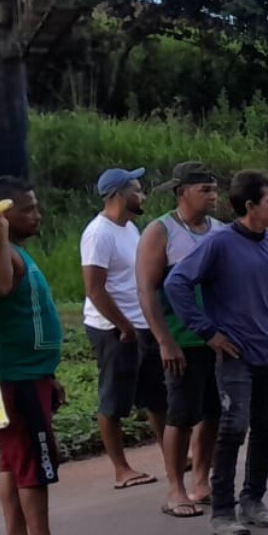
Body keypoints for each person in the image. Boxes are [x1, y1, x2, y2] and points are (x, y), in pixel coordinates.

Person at [165, 170, 268, 535]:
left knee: (265, 424)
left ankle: (253, 500)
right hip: (237, 352)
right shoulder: (220, 243)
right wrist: (208, 332)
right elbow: (177, 284)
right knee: (233, 426)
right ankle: (222, 511)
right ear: (251, 206)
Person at [0, 177, 93, 535]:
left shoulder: (13, 252)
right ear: (2, 216)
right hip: (18, 378)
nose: (38, 215)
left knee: (13, 463)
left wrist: (49, 375)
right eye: (27, 209)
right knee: (32, 461)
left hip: (31, 375)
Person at [136, 161, 228, 518]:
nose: (212, 196)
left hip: (215, 339)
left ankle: (202, 480)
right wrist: (164, 340)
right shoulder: (161, 231)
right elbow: (146, 289)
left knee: (213, 413)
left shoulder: (219, 231)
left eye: (214, 189)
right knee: (181, 415)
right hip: (180, 341)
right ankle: (175, 488)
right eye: (204, 190)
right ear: (181, 193)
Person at [81, 166, 167, 489]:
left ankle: (171, 452)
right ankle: (121, 469)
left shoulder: (131, 228)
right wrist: (124, 326)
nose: (142, 194)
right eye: (137, 189)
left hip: (141, 323)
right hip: (113, 328)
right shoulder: (98, 233)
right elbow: (94, 289)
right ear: (118, 195)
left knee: (157, 395)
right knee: (114, 399)